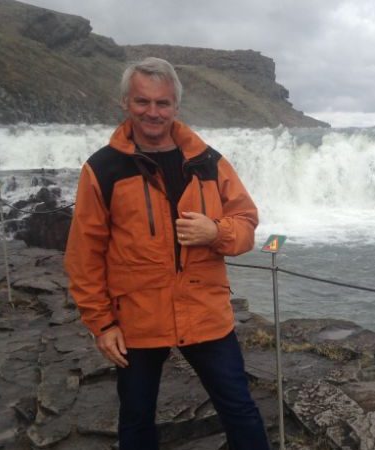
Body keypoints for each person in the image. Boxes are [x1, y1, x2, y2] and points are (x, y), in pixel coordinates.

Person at [64, 57, 270, 450]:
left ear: (176, 105)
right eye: (143, 102)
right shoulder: (102, 169)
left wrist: (216, 231)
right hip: (138, 316)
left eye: (163, 103)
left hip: (204, 310)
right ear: (125, 102)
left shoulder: (208, 161)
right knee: (137, 419)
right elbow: (84, 254)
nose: (153, 112)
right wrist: (102, 323)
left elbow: (246, 224)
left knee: (239, 409)